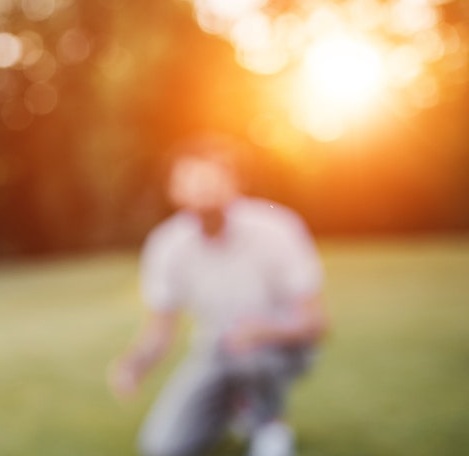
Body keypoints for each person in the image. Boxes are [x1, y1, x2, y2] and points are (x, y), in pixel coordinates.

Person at [111, 135, 328, 456]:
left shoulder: (276, 227)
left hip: (281, 347)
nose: (203, 188)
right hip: (216, 351)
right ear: (173, 190)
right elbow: (161, 328)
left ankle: (269, 427)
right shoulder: (167, 244)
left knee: (250, 355)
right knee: (163, 446)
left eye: (212, 178)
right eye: (191, 179)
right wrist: (134, 364)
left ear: (236, 183)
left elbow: (315, 321)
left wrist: (263, 330)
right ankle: (234, 408)